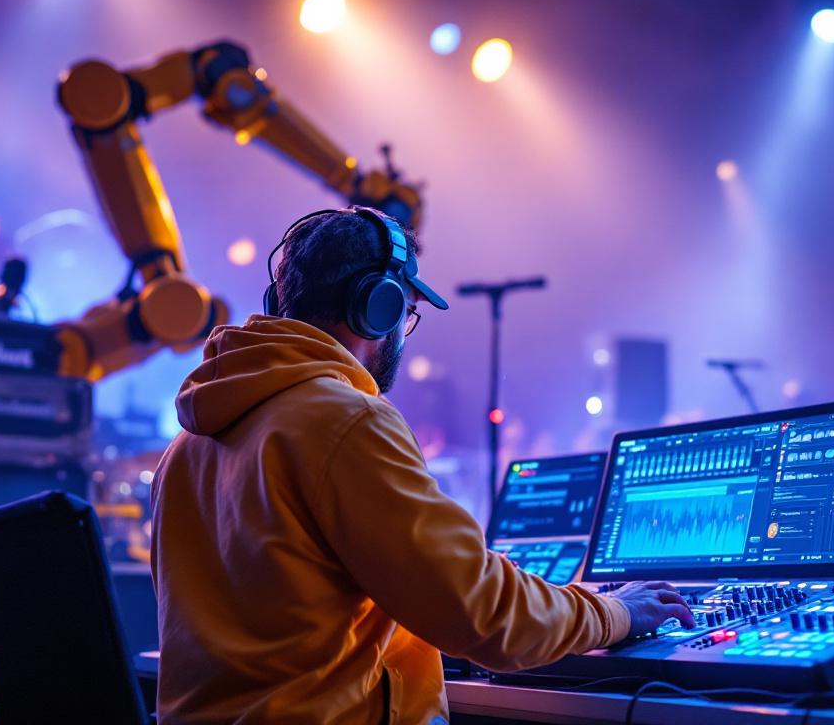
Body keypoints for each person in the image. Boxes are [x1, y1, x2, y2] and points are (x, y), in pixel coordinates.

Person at [151, 207, 693, 724]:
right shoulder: (345, 421)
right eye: (407, 313)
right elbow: (483, 615)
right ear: (377, 307)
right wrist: (617, 613)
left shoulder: (187, 445)